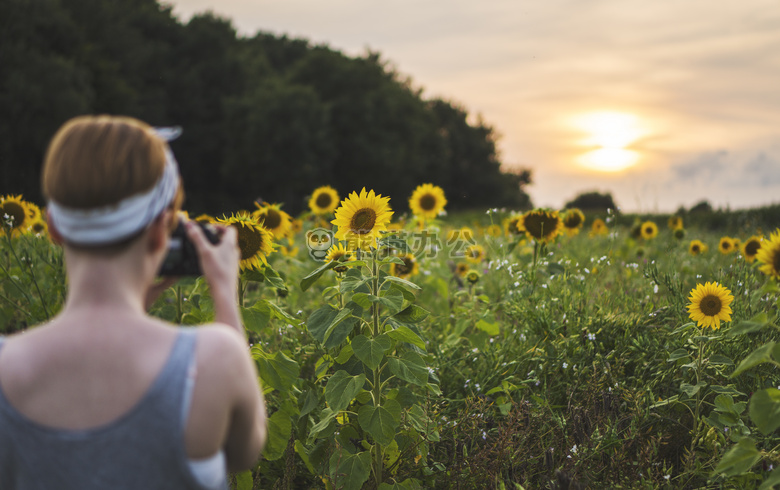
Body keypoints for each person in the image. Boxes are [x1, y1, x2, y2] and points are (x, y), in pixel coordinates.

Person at [0, 115, 266, 489]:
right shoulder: (213, 360)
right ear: (162, 231)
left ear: (54, 228)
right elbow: (243, 453)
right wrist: (224, 291)